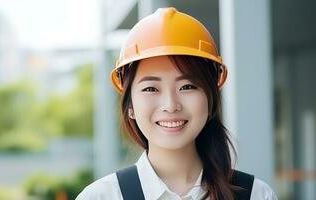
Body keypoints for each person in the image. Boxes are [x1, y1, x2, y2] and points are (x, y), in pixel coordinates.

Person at [76, 7, 277, 200]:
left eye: (187, 87)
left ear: (210, 99)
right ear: (130, 106)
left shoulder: (256, 195)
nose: (171, 105)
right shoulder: (102, 196)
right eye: (151, 89)